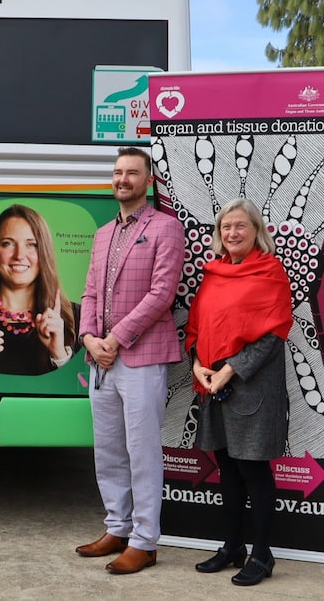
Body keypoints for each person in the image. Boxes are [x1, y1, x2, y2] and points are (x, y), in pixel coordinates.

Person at [76, 146, 185, 574]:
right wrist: (88, 338)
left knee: (141, 452)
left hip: (141, 356)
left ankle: (145, 541)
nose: (123, 179)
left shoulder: (166, 228)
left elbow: (162, 294)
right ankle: (117, 528)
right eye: (118, 172)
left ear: (148, 181)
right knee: (108, 450)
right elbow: (88, 292)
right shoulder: (103, 233)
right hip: (99, 359)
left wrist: (115, 339)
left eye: (132, 173)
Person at [185, 198, 292, 586]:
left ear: (256, 230)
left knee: (253, 470)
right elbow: (199, 327)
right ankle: (232, 546)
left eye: (240, 226)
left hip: (251, 389)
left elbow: (273, 336)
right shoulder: (213, 274)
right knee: (227, 469)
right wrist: (198, 363)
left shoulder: (270, 272)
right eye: (226, 227)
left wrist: (230, 370)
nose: (232, 233)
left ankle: (263, 554)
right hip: (213, 385)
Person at [0, 204, 79, 376]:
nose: (19, 255)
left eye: (32, 245)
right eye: (8, 243)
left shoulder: (76, 317)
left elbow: (86, 390)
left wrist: (60, 356)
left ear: (45, 252)